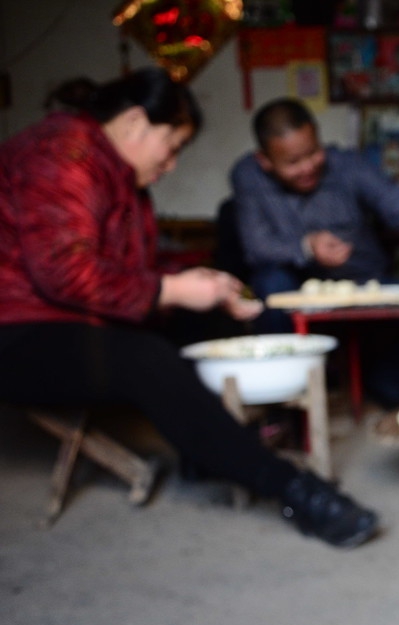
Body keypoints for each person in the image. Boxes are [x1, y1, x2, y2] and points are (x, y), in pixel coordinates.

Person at [0, 68, 378, 549]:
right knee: (143, 359)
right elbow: (64, 273)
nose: (172, 163)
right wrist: (173, 290)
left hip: (67, 319)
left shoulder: (116, 172)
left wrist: (205, 282)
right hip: (15, 332)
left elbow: (128, 268)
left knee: (208, 318)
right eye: (172, 146)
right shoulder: (61, 155)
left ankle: (209, 451)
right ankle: (291, 490)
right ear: (135, 121)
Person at [230, 98, 399, 407]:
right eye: (293, 162)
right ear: (265, 161)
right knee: (270, 282)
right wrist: (307, 248)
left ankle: (387, 384)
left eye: (313, 153)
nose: (308, 166)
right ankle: (285, 398)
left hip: (362, 282)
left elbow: (396, 201)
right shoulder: (247, 175)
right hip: (297, 289)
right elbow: (256, 246)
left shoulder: (347, 164)